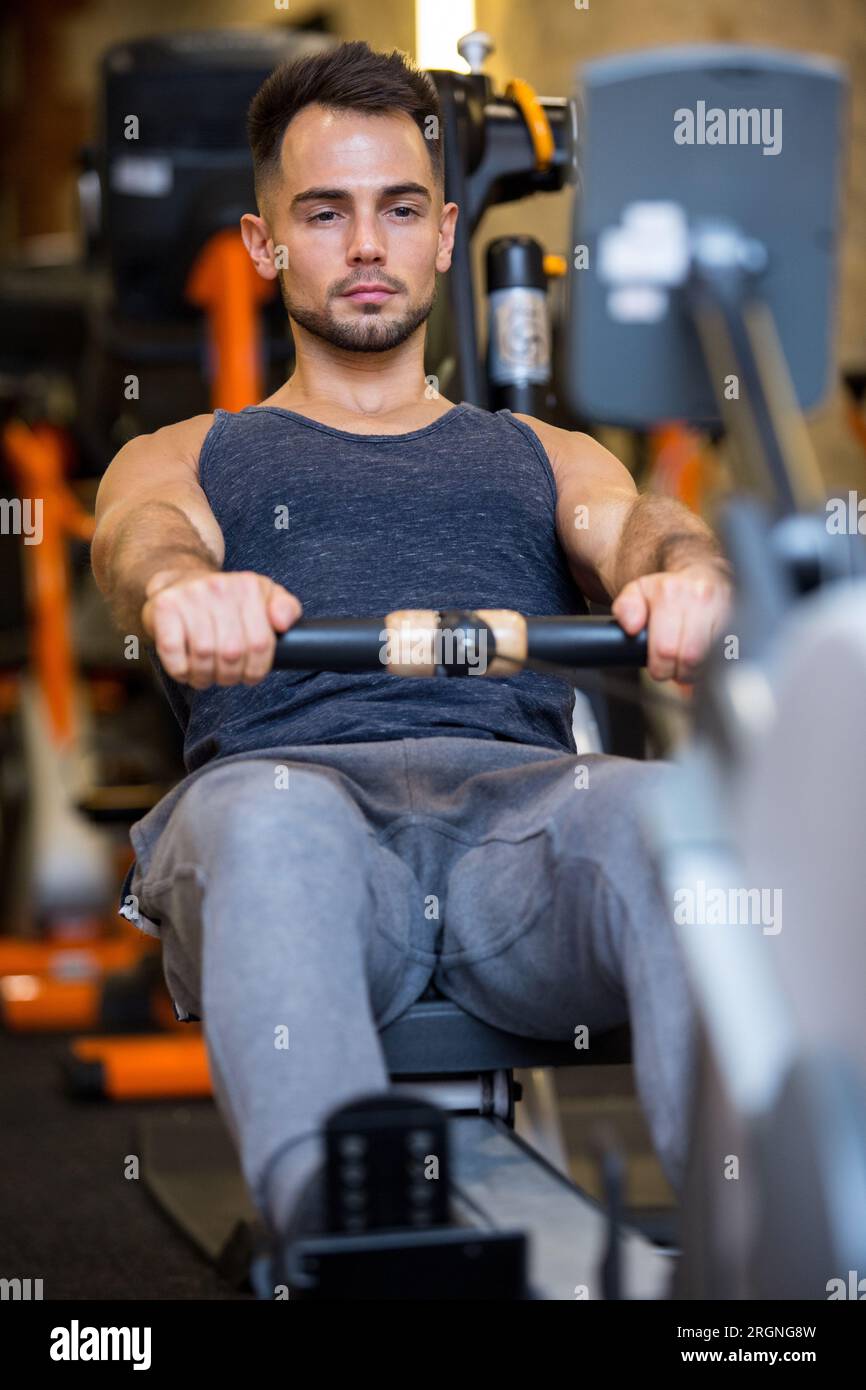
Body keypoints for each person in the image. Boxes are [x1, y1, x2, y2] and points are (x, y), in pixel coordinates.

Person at [91, 40, 732, 1278]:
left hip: (517, 839)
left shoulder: (541, 452)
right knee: (274, 822)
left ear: (445, 235)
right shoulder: (192, 447)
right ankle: (353, 1240)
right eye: (323, 214)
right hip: (295, 814)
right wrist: (180, 589)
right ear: (264, 243)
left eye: (396, 211)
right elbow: (143, 534)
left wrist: (681, 574)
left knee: (665, 812)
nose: (367, 246)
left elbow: (642, 523)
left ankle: (771, 1237)